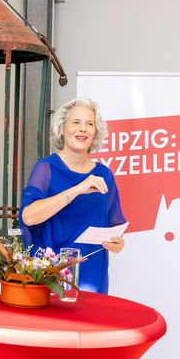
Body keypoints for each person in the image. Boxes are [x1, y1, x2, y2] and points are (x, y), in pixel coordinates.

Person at [19, 97, 126, 293]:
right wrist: (77, 189)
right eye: (76, 122)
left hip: (93, 274)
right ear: (62, 128)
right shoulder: (46, 168)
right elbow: (29, 216)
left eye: (89, 124)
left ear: (95, 132)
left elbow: (115, 225)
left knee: (91, 322)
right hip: (52, 275)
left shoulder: (104, 175)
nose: (83, 129)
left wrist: (118, 242)